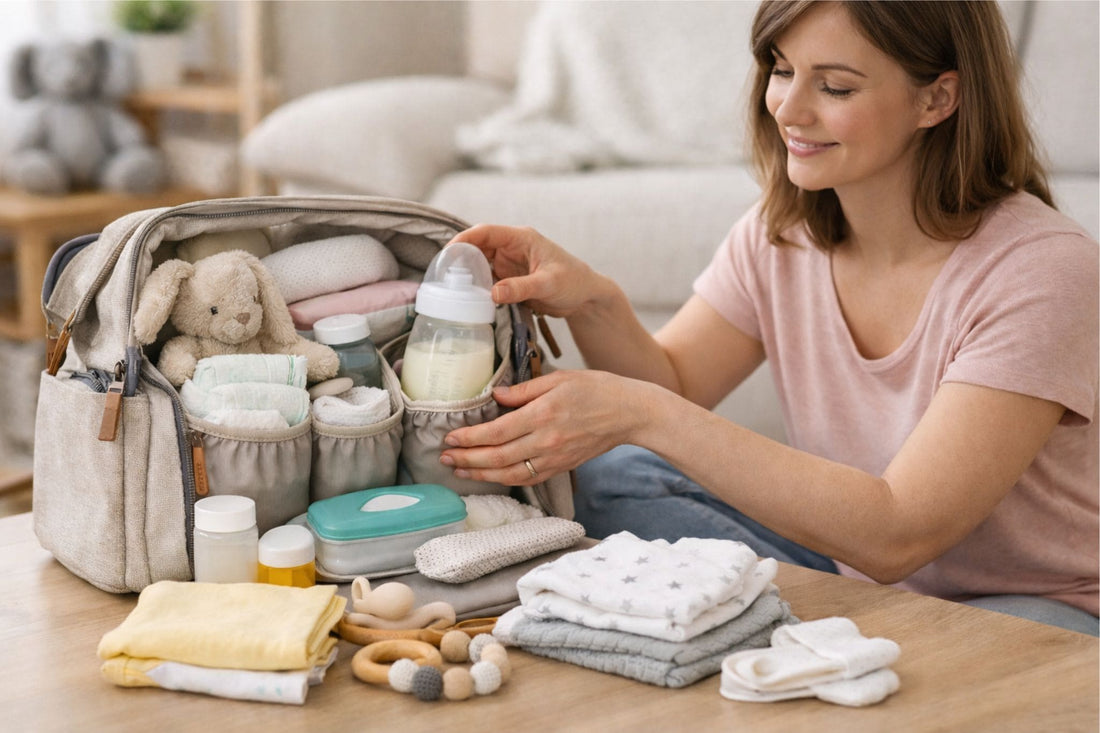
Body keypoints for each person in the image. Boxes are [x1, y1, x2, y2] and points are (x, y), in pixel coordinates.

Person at [437, 0, 1099, 635]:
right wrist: (592, 299)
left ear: (937, 99)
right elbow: (675, 382)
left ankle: (807, 637)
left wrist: (639, 412)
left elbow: (901, 532)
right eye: (782, 69)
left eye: (835, 87)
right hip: (859, 576)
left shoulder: (1041, 272)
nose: (787, 107)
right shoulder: (782, 234)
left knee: (965, 656)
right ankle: (831, 641)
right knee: (609, 474)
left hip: (1034, 605)